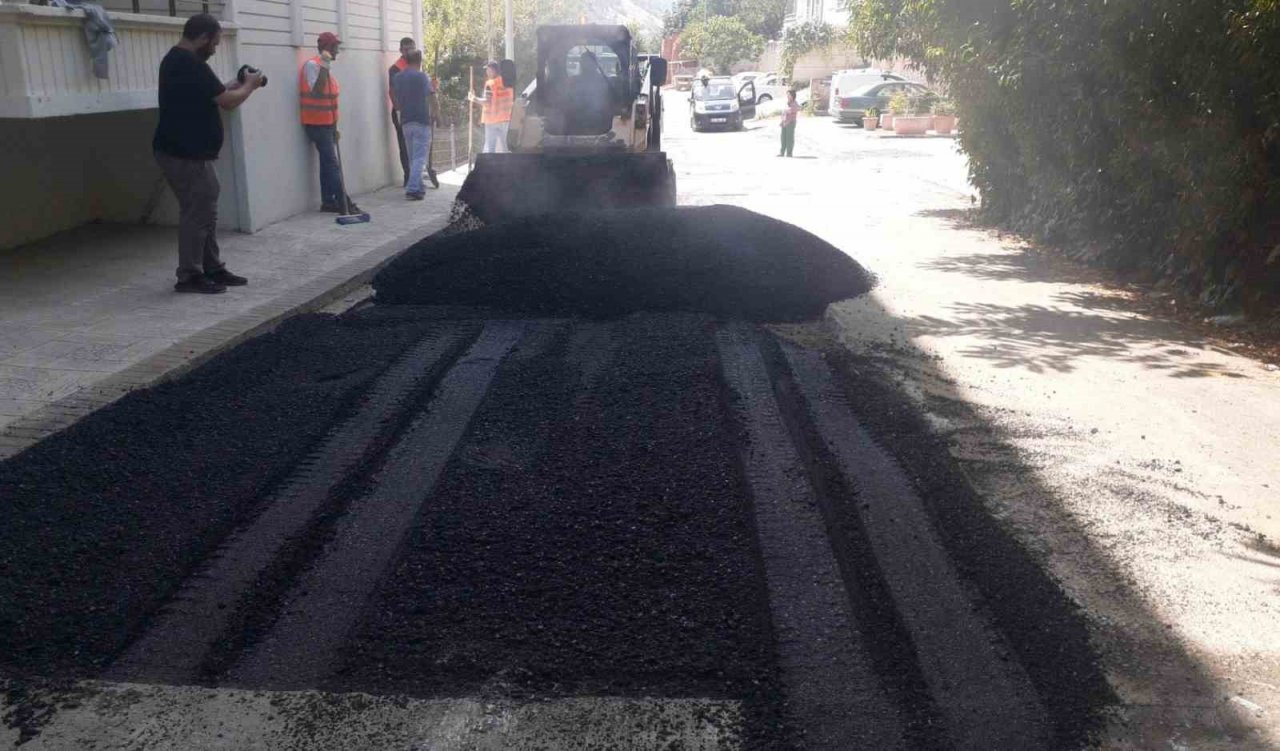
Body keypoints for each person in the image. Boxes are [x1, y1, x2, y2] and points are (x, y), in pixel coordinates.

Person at [153, 13, 263, 294]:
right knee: (197, 212)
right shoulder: (189, 63)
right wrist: (249, 86)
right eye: (213, 43)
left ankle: (211, 267)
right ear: (201, 38)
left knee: (205, 211)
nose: (214, 49)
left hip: (189, 152)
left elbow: (213, 92)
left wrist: (234, 84)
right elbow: (226, 103)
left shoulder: (179, 60)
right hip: (184, 153)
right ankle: (189, 276)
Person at [299, 32, 360, 213]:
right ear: (326, 48)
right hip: (316, 124)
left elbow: (329, 101)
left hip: (327, 124)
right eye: (335, 47)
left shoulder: (325, 69)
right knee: (332, 164)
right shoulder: (313, 65)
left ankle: (328, 202)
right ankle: (344, 202)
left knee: (327, 163)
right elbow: (317, 92)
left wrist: (334, 126)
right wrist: (324, 64)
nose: (337, 51)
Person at [392, 50, 434, 200]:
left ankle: (419, 187)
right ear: (419, 60)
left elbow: (396, 97)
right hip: (421, 119)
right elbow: (430, 95)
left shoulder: (398, 77)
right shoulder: (421, 77)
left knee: (412, 157)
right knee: (420, 157)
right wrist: (437, 113)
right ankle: (413, 189)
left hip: (405, 120)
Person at [388, 37, 415, 187]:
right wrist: (399, 111)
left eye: (412, 48)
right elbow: (393, 92)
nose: (409, 51)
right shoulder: (395, 69)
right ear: (401, 50)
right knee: (404, 145)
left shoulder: (415, 65)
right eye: (406, 49)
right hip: (402, 111)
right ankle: (408, 176)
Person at [468, 61, 513, 153]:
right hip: (506, 119)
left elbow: (487, 102)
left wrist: (473, 98)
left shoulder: (490, 84)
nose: (487, 72)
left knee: (490, 148)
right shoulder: (508, 83)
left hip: (492, 121)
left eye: (488, 70)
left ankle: (490, 166)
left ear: (494, 71)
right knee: (505, 148)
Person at [779, 89, 800, 157]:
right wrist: (782, 121)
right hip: (784, 122)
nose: (787, 96)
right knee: (783, 138)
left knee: (789, 138)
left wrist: (787, 110)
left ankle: (789, 153)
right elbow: (783, 112)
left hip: (790, 122)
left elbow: (795, 109)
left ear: (792, 96)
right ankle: (782, 152)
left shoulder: (794, 103)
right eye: (787, 95)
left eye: (789, 95)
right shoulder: (787, 103)